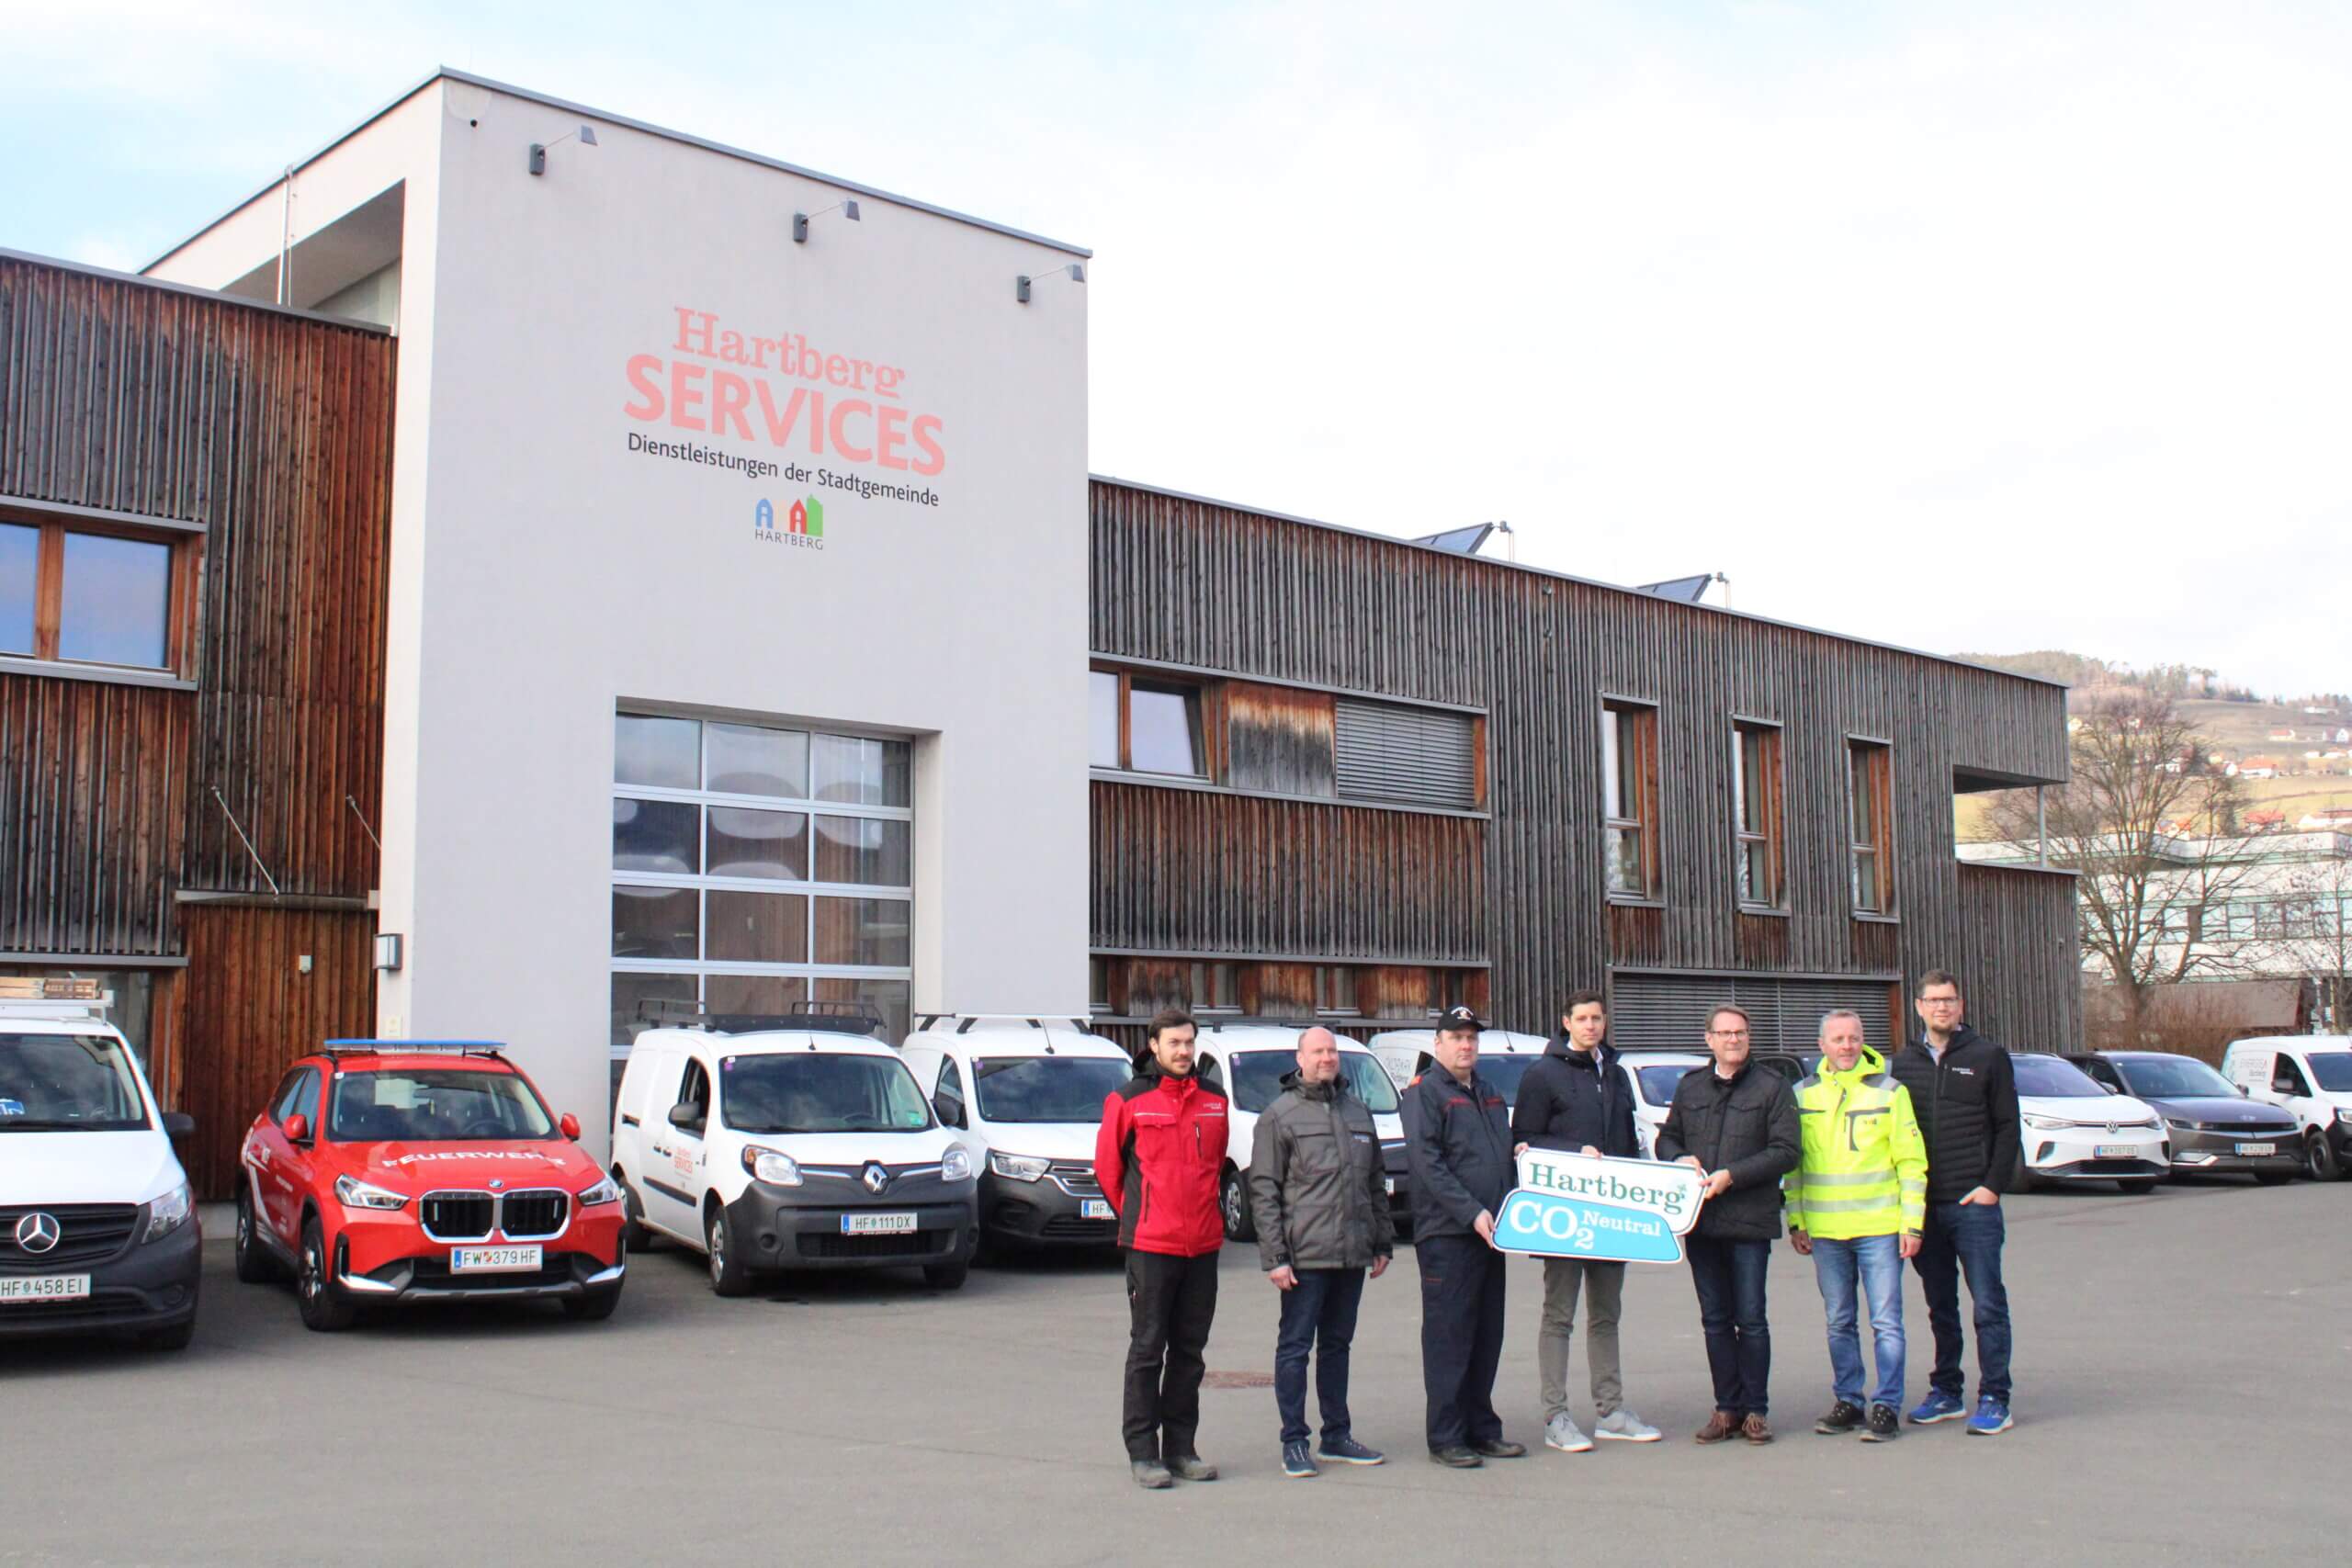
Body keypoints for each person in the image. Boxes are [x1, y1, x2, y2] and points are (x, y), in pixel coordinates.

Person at [1508, 988, 1661, 1452]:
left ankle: (1610, 1410)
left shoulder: (1614, 1074)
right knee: (1559, 1316)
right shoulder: (1542, 1074)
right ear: (1566, 1022)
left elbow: (1628, 1141)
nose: (1592, 1025)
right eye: (1583, 1018)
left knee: (1606, 1315)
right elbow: (1524, 1140)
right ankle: (1556, 1416)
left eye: (1598, 1018)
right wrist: (1575, 1153)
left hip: (1610, 1216)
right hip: (1564, 1215)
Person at [1248, 1026, 1395, 1478]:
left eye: (1332, 1050)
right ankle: (1294, 1441)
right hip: (1304, 1257)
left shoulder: (1358, 1111)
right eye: (1318, 1051)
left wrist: (1381, 1240)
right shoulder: (1279, 1116)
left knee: (1337, 1347)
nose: (1327, 1058)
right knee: (1294, 1349)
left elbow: (1375, 1182)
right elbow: (1264, 1190)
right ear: (1301, 1058)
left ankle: (1336, 1435)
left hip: (1351, 1254)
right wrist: (1275, 1257)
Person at [1094, 1009, 1230, 1488]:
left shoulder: (1215, 1099)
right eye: (1174, 1043)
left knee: (1190, 1352)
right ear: (1154, 1046)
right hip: (1151, 1245)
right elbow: (1108, 1170)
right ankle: (1142, 1453)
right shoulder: (1129, 1099)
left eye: (1189, 1043)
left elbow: (1215, 1164)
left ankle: (1181, 1449)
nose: (1183, 1051)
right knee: (1148, 1348)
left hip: (1204, 1246)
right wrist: (1141, 1214)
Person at [1655, 1003, 1800, 1445]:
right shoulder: (1691, 1085)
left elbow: (1786, 1150)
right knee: (1715, 1319)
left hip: (1749, 1221)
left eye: (1740, 1032)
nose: (1733, 1039)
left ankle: (1756, 1410)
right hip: (1702, 1222)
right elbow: (1667, 1137)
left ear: (1748, 1036)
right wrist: (1679, 1157)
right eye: (1725, 1033)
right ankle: (1726, 1409)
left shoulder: (1773, 1087)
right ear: (1709, 1039)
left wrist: (1733, 1175)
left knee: (1751, 1319)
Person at [1886, 969, 2021, 1436]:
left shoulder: (1988, 1057)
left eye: (1949, 1000)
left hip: (1973, 1203)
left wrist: (1991, 1187)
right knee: (1939, 1304)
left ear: (1960, 1006)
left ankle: (1995, 1397)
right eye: (1933, 1000)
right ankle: (1946, 1390)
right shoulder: (1902, 1065)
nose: (1942, 1007)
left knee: (1987, 1303)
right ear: (1919, 1007)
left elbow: (2008, 1127)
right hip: (1925, 1207)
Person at [1785, 1009, 1928, 1443]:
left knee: (1886, 1321)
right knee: (1838, 1320)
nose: (1846, 1046)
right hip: (1826, 1230)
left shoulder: (1890, 1091)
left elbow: (1911, 1160)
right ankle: (1849, 1399)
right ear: (1821, 1045)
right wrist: (1796, 1219)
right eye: (1837, 1039)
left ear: (1863, 1041)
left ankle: (1886, 1405)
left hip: (1879, 1226)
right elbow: (1794, 1166)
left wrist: (1913, 1223)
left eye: (1853, 1038)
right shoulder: (1802, 1094)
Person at [1404, 1004, 1526, 1469]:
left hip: (1492, 1234)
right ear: (1438, 1045)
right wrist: (1471, 1211)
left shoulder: (1489, 1092)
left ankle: (1482, 1428)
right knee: (1449, 1338)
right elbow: (1428, 1164)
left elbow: (1503, 1155)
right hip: (1448, 1235)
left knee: (1485, 1336)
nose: (1466, 1045)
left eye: (1472, 1038)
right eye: (1457, 1037)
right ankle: (1446, 1436)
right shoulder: (1425, 1093)